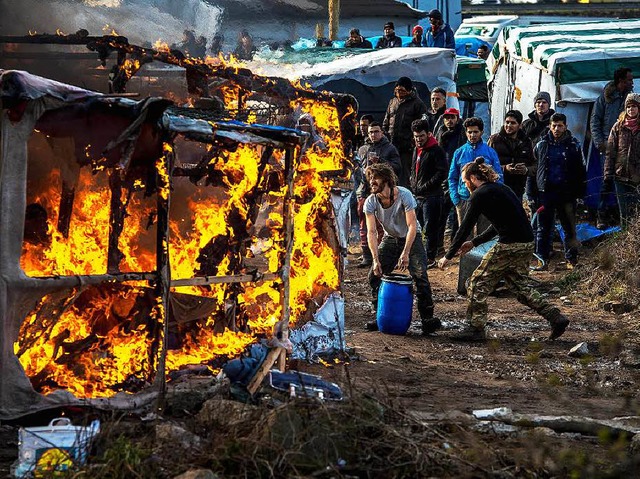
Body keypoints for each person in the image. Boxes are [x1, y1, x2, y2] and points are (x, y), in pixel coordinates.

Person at [437, 158, 570, 342]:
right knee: (519, 286)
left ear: (473, 178)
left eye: (465, 180)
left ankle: (475, 328)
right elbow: (498, 225)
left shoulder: (479, 194)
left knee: (476, 283)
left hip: (510, 245)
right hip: (526, 244)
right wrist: (474, 243)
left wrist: (448, 256)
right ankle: (556, 317)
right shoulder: (501, 189)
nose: (465, 184)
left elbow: (465, 226)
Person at [364, 163, 439, 335]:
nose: (372, 182)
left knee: (420, 276)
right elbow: (372, 232)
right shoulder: (371, 201)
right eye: (370, 178)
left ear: (387, 180)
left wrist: (406, 252)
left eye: (375, 178)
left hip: (412, 237)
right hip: (390, 238)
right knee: (374, 276)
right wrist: (375, 260)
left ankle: (428, 320)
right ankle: (380, 315)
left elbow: (412, 226)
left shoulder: (404, 195)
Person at [532, 113, 586, 271]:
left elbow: (581, 171)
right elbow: (534, 170)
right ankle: (542, 259)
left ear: (566, 126)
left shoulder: (574, 145)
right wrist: (532, 193)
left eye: (560, 125)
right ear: (549, 126)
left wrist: (580, 193)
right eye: (554, 125)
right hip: (546, 192)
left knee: (569, 227)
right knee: (543, 228)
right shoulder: (541, 145)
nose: (557, 129)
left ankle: (571, 259)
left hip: (567, 193)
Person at [591, 67, 634, 229]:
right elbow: (595, 121)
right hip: (609, 147)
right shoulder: (605, 98)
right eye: (629, 80)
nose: (632, 83)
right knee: (606, 181)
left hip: (627, 148)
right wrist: (600, 143)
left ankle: (623, 215)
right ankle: (601, 215)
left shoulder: (631, 100)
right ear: (620, 81)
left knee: (627, 181)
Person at [356, 122, 402, 267]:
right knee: (364, 226)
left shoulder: (390, 148)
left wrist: (380, 162)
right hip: (365, 191)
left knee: (381, 225)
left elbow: (397, 167)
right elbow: (359, 169)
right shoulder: (364, 149)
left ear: (382, 132)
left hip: (383, 193)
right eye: (370, 132)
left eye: (376, 132)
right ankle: (367, 256)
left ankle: (382, 255)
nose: (373, 135)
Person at [448, 117, 503, 235]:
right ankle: (465, 255)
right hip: (464, 199)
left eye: (475, 132)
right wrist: (456, 199)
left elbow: (498, 176)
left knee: (484, 236)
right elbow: (452, 177)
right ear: (466, 132)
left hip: (486, 199)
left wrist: (494, 197)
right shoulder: (459, 152)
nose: (472, 135)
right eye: (469, 132)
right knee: (464, 235)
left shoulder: (490, 152)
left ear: (482, 132)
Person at [409, 119, 448, 267]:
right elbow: (413, 168)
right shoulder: (416, 149)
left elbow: (441, 172)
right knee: (416, 227)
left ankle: (430, 257)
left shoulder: (436, 150)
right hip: (418, 195)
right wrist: (412, 182)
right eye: (416, 136)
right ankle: (419, 254)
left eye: (422, 136)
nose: (419, 139)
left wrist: (425, 186)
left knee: (430, 227)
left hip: (432, 196)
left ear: (429, 134)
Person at [383, 76, 428, 187]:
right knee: (390, 171)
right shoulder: (392, 102)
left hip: (407, 146)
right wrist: (385, 133)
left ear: (409, 90)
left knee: (405, 174)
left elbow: (422, 125)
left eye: (402, 90)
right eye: (397, 90)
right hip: (391, 143)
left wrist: (413, 141)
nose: (399, 93)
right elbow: (387, 119)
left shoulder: (417, 104)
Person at [604, 92, 640, 228]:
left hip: (638, 176)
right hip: (620, 175)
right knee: (624, 211)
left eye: (634, 107)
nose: (631, 110)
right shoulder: (618, 127)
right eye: (629, 107)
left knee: (637, 210)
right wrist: (608, 173)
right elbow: (610, 152)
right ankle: (626, 238)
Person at [435, 107, 466, 251]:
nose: (449, 120)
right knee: (441, 214)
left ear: (457, 118)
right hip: (442, 177)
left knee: (457, 214)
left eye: (452, 117)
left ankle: (455, 244)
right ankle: (439, 245)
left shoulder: (462, 133)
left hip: (458, 177)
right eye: (447, 118)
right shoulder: (440, 132)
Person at [487, 110, 535, 201]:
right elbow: (486, 165)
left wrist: (525, 170)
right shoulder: (494, 140)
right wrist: (505, 169)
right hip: (497, 188)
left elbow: (534, 164)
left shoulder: (526, 142)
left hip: (517, 190)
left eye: (513, 123)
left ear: (520, 125)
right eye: (507, 122)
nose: (508, 126)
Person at [522, 91, 555, 213]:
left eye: (544, 102)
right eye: (538, 102)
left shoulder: (554, 123)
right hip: (531, 166)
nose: (541, 105)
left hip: (548, 167)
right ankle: (533, 225)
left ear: (549, 104)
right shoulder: (527, 124)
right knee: (531, 196)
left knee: (547, 199)